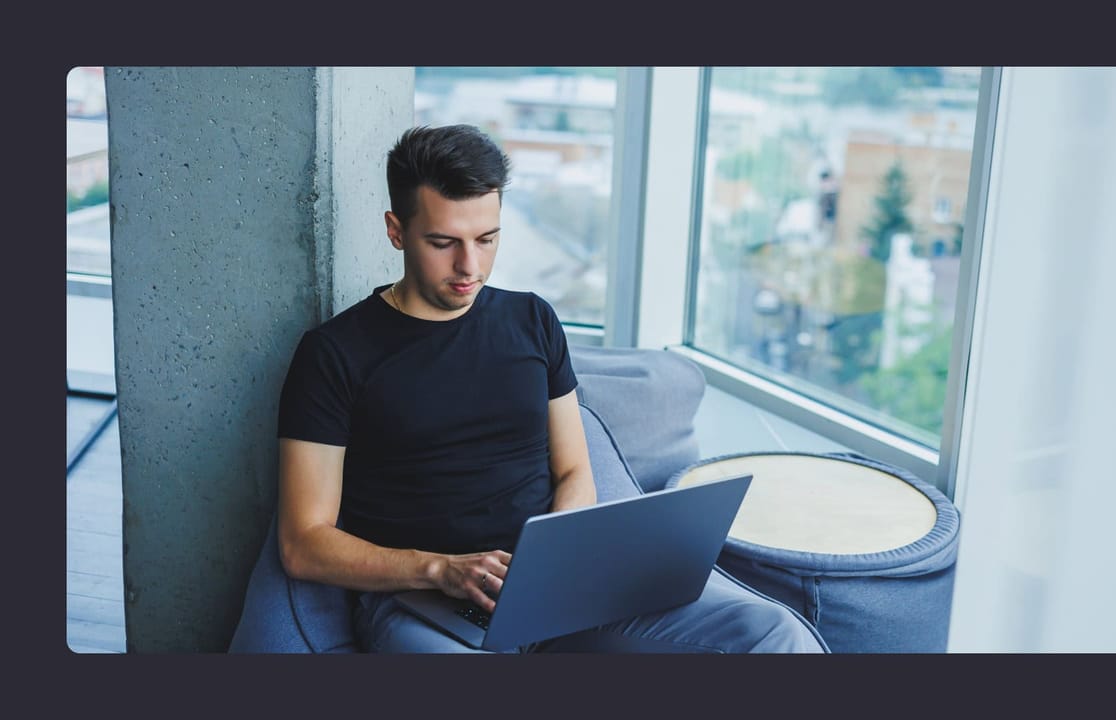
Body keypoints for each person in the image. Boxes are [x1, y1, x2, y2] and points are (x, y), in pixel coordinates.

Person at [276, 124, 827, 654]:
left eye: (487, 239)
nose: (469, 266)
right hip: (425, 600)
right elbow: (303, 542)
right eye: (443, 242)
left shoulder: (532, 320)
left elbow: (573, 472)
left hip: (555, 589)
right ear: (396, 231)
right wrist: (440, 569)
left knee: (771, 631)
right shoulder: (335, 353)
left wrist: (555, 567)